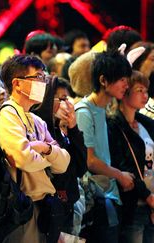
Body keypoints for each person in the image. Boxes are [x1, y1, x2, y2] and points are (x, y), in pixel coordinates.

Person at [0, 54, 70, 243]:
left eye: (44, 78)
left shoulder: (36, 120)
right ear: (17, 83)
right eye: (38, 77)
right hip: (22, 206)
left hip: (43, 204)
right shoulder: (8, 113)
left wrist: (43, 148)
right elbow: (23, 159)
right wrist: (50, 156)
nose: (43, 83)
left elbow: (63, 164)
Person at [75, 50, 133, 243]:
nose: (127, 85)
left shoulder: (103, 109)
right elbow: (90, 161)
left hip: (109, 194)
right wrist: (120, 175)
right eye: (122, 79)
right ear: (103, 80)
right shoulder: (84, 111)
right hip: (97, 200)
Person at [32, 77, 88, 235]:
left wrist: (73, 127)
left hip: (67, 208)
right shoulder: (40, 131)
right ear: (46, 100)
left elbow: (81, 167)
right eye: (61, 99)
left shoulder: (60, 131)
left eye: (67, 98)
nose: (67, 104)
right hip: (48, 212)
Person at [107, 70, 154, 243]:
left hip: (151, 202)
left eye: (146, 91)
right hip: (134, 203)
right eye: (139, 90)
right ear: (125, 91)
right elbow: (123, 165)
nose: (145, 95)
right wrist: (148, 196)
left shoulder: (146, 123)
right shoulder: (113, 124)